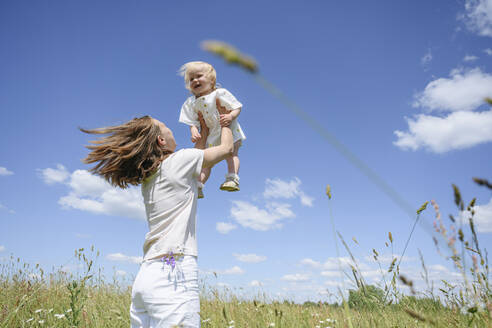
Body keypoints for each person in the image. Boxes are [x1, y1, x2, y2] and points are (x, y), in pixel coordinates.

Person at [80, 101, 233, 327]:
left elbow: (199, 173)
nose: (169, 127)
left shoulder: (151, 178)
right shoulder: (180, 160)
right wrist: (227, 120)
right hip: (173, 272)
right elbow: (226, 150)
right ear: (161, 141)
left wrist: (205, 130)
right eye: (164, 126)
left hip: (147, 277)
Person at [178, 61, 245, 198]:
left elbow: (237, 106)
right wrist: (193, 130)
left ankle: (232, 178)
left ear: (211, 79)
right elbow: (191, 120)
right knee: (205, 162)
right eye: (191, 79)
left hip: (229, 129)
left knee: (231, 154)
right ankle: (199, 185)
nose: (195, 80)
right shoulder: (190, 102)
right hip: (210, 135)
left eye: (199, 76)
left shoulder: (220, 93)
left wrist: (231, 116)